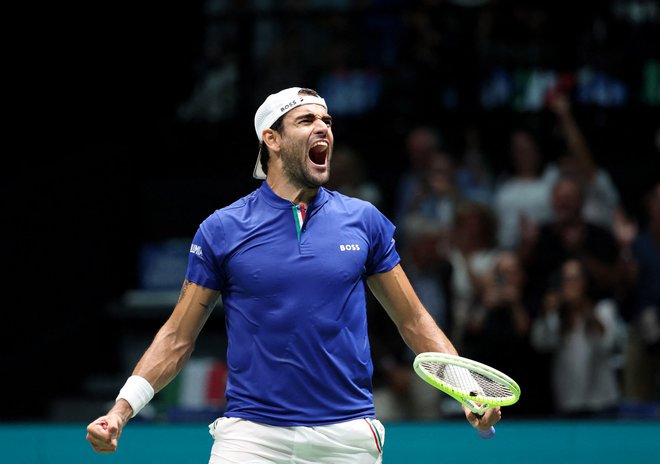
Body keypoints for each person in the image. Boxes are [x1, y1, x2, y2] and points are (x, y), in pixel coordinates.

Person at [86, 87, 500, 463]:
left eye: (327, 122)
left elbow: (413, 319)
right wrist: (121, 411)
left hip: (347, 438)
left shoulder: (363, 221)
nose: (323, 128)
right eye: (307, 120)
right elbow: (178, 337)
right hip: (251, 439)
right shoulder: (222, 229)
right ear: (272, 139)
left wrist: (466, 389)